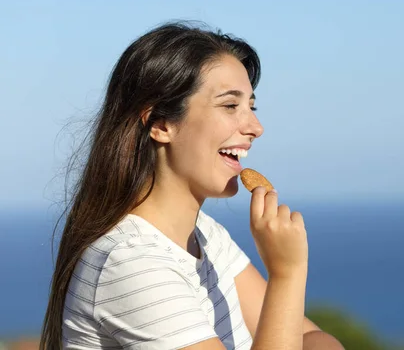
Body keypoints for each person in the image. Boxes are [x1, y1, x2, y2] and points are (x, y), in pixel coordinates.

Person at [40, 22, 344, 350]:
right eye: (230, 106)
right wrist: (287, 273)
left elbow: (310, 337)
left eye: (251, 107)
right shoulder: (129, 261)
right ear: (161, 123)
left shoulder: (206, 237)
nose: (256, 127)